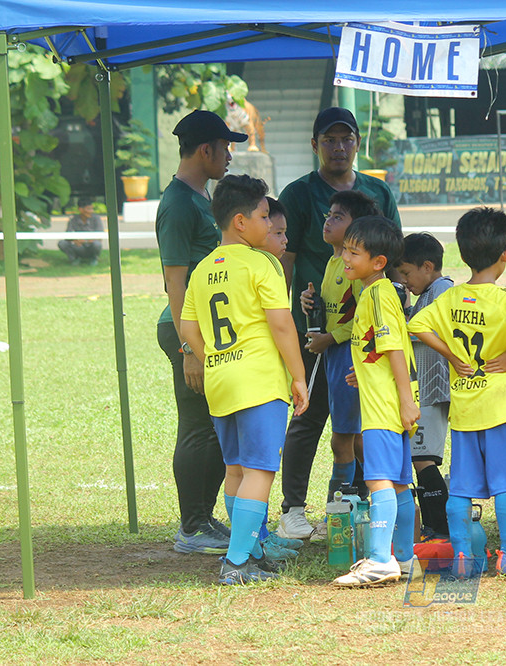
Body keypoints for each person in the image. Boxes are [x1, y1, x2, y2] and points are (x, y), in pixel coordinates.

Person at [277, 107, 402, 541]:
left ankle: (356, 503)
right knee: (308, 417)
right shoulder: (298, 194)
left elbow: (395, 260)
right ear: (314, 145)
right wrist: (296, 316)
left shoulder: (378, 191)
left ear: (357, 143)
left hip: (357, 342)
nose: (338, 146)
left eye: (345, 138)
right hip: (313, 335)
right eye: (328, 139)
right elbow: (284, 259)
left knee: (359, 429)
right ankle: (293, 508)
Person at [179, 175, 309, 584]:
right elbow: (282, 325)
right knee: (259, 471)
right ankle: (235, 563)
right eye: (263, 216)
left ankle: (250, 552)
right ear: (240, 222)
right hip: (258, 382)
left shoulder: (202, 269)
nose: (269, 224)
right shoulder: (261, 263)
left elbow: (187, 327)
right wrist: (299, 376)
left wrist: (214, 360)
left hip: (221, 381)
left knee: (235, 469)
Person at [409, 208, 506, 577]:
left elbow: (418, 325)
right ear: (504, 255)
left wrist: (452, 355)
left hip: (466, 407)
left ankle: (463, 558)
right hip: (500, 405)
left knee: (462, 488)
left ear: (463, 253)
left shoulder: (451, 297)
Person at [156, 109, 246, 555]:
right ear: (206, 149)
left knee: (214, 427)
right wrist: (189, 347)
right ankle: (191, 527)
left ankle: (203, 519)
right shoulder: (177, 203)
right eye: (226, 147)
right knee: (197, 427)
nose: (229, 156)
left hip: (207, 332)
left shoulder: (200, 198)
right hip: (185, 332)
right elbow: (175, 281)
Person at [332, 215, 418, 587]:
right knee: (399, 484)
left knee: (379, 479)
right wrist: (363, 370)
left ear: (378, 262)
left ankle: (381, 559)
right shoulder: (377, 293)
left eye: (353, 252)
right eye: (345, 250)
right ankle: (406, 556)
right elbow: (379, 347)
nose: (345, 258)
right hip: (389, 398)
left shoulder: (378, 293)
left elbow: (395, 347)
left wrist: (404, 400)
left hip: (385, 405)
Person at [299, 191, 381, 510]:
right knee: (350, 436)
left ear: (356, 228)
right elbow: (338, 309)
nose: (328, 221)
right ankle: (355, 504)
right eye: (328, 215)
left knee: (347, 438)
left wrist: (330, 338)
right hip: (335, 356)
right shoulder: (335, 261)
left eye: (337, 216)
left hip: (350, 356)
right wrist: (313, 305)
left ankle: (347, 507)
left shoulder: (356, 269)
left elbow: (363, 318)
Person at [397, 232, 453, 539]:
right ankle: (435, 524)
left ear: (427, 266)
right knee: (422, 457)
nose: (405, 280)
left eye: (407, 272)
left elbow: (438, 329)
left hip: (434, 388)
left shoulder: (442, 289)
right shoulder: (427, 294)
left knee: (423, 457)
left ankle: (439, 528)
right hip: (428, 388)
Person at [59, 197, 103, 265]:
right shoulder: (73, 219)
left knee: (97, 244)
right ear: (80, 209)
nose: (91, 211)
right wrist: (75, 240)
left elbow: (100, 235)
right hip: (78, 246)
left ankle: (94, 258)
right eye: (88, 209)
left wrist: (85, 240)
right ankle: (74, 258)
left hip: (91, 245)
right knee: (62, 243)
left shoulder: (96, 218)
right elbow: (68, 234)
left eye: (92, 209)